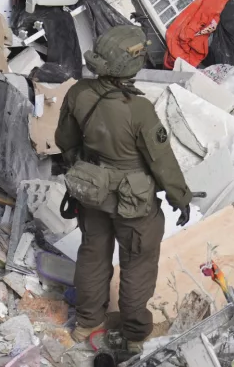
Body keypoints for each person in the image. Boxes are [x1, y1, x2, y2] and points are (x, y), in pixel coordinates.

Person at [55, 25, 193, 354]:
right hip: (134, 202)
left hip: (91, 194)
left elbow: (64, 141)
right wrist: (180, 197)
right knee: (137, 265)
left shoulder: (79, 93)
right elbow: (162, 161)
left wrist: (86, 170)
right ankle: (133, 336)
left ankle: (87, 323)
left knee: (92, 255)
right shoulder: (138, 109)